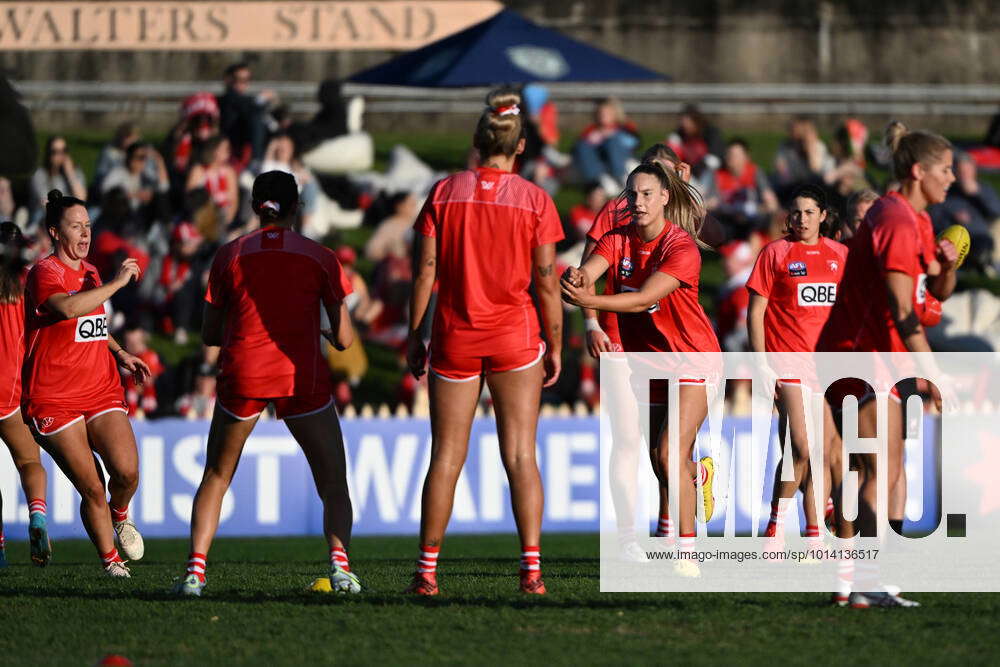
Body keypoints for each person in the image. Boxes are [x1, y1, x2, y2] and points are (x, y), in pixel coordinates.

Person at [405, 88, 563, 596]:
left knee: (446, 456)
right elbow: (545, 281)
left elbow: (425, 270)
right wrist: (556, 343)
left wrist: (415, 334)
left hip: (455, 333)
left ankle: (427, 572)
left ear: (477, 141)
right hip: (516, 335)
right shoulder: (536, 200)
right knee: (520, 455)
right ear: (520, 148)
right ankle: (531, 572)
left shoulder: (445, 192)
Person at [174, 171, 360, 597]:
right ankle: (341, 569)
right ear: (297, 206)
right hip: (300, 375)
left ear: (256, 206)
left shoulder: (229, 256)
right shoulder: (321, 257)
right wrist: (324, 332)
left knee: (217, 476)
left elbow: (210, 334)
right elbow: (345, 339)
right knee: (332, 482)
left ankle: (194, 574)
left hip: (244, 371)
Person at [820, 122, 959, 608]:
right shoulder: (897, 220)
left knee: (890, 467)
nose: (954, 178)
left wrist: (948, 267)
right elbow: (903, 311)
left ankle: (870, 580)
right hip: (855, 352)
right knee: (876, 466)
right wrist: (936, 373)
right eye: (946, 169)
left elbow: (927, 297)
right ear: (919, 171)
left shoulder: (914, 219)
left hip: (881, 354)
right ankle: (859, 579)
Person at [562, 161, 720, 576]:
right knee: (659, 458)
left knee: (668, 451)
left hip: (693, 358)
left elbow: (640, 299)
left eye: (647, 193)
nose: (638, 201)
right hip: (647, 363)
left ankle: (687, 555)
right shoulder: (617, 240)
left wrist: (589, 303)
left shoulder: (680, 247)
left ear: (665, 197)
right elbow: (592, 271)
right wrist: (578, 278)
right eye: (632, 194)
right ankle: (697, 474)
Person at [23, 191, 150, 577]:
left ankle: (121, 514)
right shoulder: (45, 273)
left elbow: (91, 321)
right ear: (54, 233)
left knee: (126, 471)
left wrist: (119, 351)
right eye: (75, 227)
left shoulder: (91, 272)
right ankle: (113, 563)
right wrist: (117, 282)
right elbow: (69, 308)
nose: (84, 234)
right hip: (53, 397)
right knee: (93, 486)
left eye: (88, 226)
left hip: (99, 388)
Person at [745, 185, 847, 558]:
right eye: (796, 211)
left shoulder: (841, 256)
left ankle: (812, 535)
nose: (801, 218)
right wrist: (760, 362)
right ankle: (776, 526)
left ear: (823, 215)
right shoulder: (775, 253)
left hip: (827, 368)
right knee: (803, 446)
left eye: (809, 212)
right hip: (787, 362)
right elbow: (755, 312)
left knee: (814, 452)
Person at [0, 221, 51, 568]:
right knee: (30, 461)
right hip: (11, 391)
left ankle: (0, 548)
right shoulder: (27, 283)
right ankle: (37, 516)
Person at [929, 150, 1000, 271]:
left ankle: (985, 266)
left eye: (967, 171)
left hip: (980, 238)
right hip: (954, 239)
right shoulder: (947, 194)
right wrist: (954, 219)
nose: (964, 175)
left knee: (984, 244)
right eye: (961, 172)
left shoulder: (983, 190)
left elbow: (995, 212)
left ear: (974, 171)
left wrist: (977, 193)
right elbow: (935, 220)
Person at [704, 138, 779, 237]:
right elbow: (711, 202)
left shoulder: (755, 172)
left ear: (746, 157)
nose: (730, 158)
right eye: (728, 154)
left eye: (735, 155)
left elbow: (771, 203)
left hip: (753, 219)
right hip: (728, 219)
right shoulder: (718, 175)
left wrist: (754, 209)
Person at [572, 98, 640, 194]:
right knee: (583, 146)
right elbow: (578, 148)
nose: (603, 115)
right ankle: (599, 180)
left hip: (623, 161)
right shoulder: (592, 130)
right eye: (600, 113)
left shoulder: (625, 127)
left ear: (615, 113)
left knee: (612, 142)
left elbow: (635, 143)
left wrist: (613, 135)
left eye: (607, 113)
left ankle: (622, 179)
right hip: (600, 164)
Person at [218, 62, 276, 170]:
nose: (243, 83)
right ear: (228, 79)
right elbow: (244, 104)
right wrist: (261, 99)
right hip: (234, 145)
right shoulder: (227, 99)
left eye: (246, 79)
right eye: (238, 79)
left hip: (248, 146)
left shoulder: (249, 102)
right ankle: (257, 161)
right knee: (257, 117)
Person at [30, 137, 87, 225]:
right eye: (55, 152)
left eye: (64, 151)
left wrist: (70, 174)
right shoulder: (40, 175)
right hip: (45, 217)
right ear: (48, 154)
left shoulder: (75, 172)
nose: (61, 155)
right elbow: (45, 205)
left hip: (71, 217)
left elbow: (81, 199)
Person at [186, 136, 239, 227]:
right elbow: (191, 199)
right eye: (225, 148)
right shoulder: (199, 170)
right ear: (214, 150)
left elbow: (233, 201)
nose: (228, 151)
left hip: (223, 220)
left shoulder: (229, 171)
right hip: (203, 219)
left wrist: (226, 222)